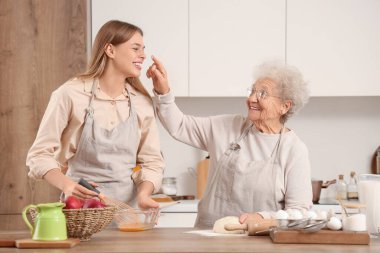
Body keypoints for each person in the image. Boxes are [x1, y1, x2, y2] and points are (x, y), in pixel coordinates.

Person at [147, 57, 313, 227]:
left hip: (260, 243)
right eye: (252, 91)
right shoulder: (227, 127)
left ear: (284, 106)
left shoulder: (293, 149)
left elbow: (299, 211)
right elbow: (180, 125)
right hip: (208, 237)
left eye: (262, 93)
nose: (252, 99)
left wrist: (263, 217)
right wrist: (163, 92)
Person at [26, 20, 164, 209]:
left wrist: (143, 195)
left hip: (128, 215)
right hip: (80, 211)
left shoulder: (142, 103)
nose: (143, 55)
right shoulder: (70, 94)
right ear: (110, 50)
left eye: (143, 49)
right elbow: (38, 155)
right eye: (135, 48)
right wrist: (68, 185)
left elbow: (152, 161)